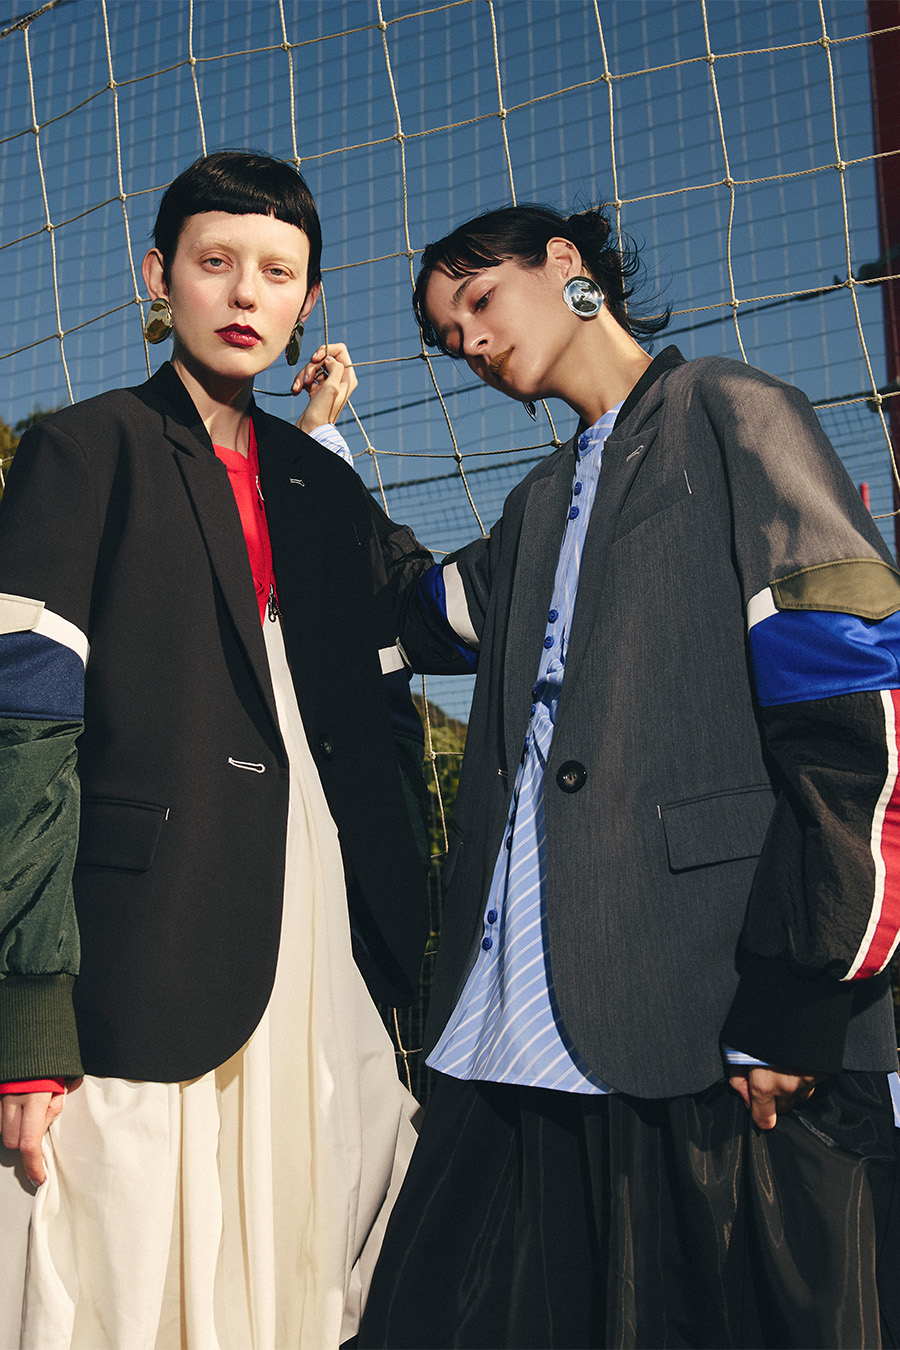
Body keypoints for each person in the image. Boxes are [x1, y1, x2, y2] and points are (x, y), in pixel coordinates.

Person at [358, 203, 900, 1349]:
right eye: (448, 337)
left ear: (566, 265)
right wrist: (318, 458)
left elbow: (854, 701)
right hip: (506, 1033)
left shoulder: (732, 411)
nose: (469, 342)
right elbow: (422, 611)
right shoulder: (534, 505)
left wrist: (803, 991)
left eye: (478, 301)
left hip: (707, 1018)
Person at [0, 149, 431, 1349]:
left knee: (306, 1240)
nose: (246, 293)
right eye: (216, 262)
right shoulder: (83, 449)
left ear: (309, 302)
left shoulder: (318, 483)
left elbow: (436, 616)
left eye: (278, 273)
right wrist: (27, 1013)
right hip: (138, 945)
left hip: (314, 914)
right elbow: (23, 738)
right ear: (160, 276)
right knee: (119, 1261)